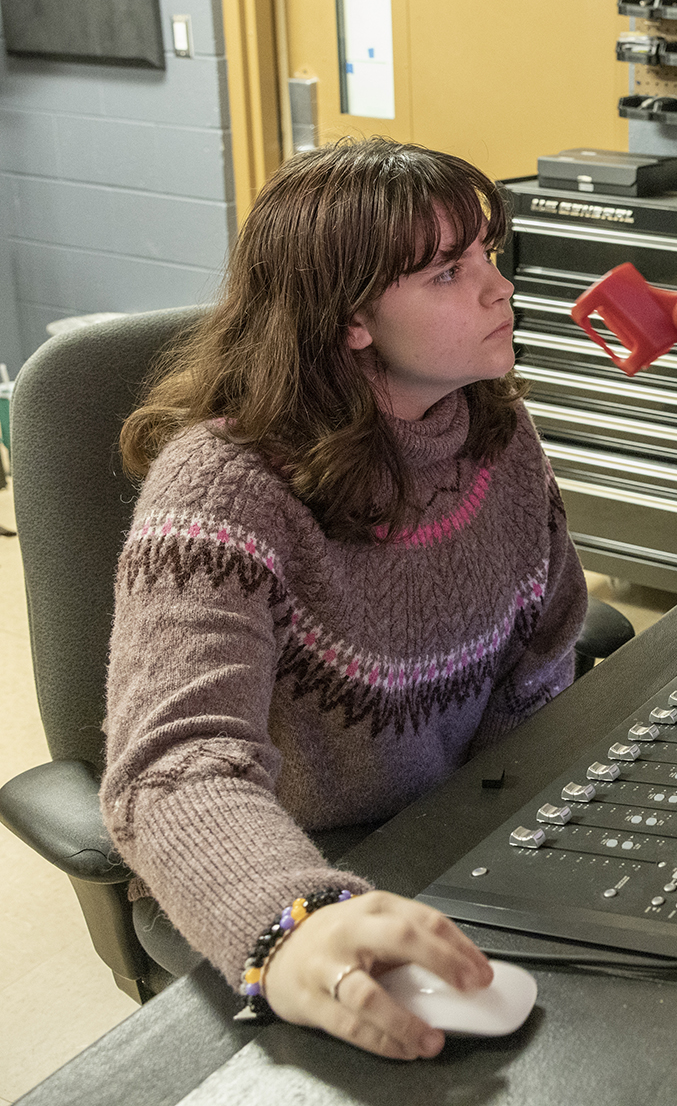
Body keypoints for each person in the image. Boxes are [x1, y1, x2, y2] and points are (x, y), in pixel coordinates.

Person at [101, 137, 587, 1060]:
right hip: (294, 867)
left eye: (488, 255)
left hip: (455, 840)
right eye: (449, 271)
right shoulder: (220, 490)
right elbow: (175, 768)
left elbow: (543, 657)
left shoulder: (495, 433)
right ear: (351, 318)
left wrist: (536, 839)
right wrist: (298, 920)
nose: (498, 289)